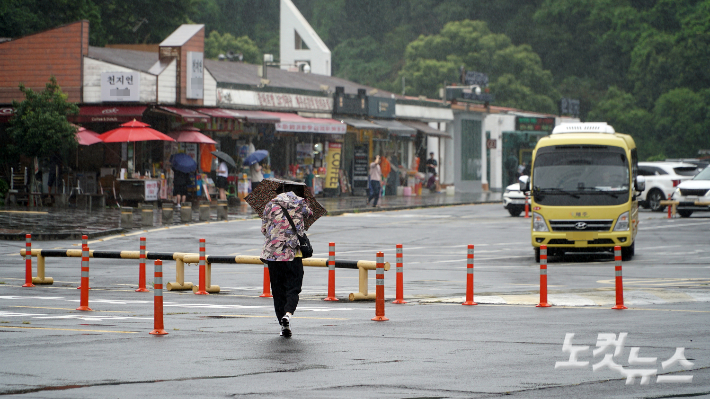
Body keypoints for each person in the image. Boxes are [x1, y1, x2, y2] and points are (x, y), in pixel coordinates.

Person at [260, 187, 313, 338]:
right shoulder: (301, 203)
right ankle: (288, 314)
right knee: (293, 288)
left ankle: (282, 325)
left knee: (278, 291)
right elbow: (310, 215)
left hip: (273, 255)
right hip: (292, 254)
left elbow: (264, 229)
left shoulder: (269, 205)